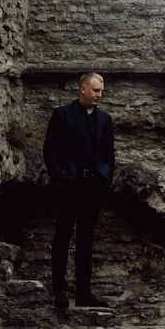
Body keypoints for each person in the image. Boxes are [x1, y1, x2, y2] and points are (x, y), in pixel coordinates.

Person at [43, 72, 115, 313]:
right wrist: (60, 179)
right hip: (68, 186)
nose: (99, 95)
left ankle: (84, 293)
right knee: (63, 237)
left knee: (86, 241)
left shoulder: (105, 120)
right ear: (82, 89)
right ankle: (60, 291)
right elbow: (50, 150)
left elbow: (108, 153)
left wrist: (106, 178)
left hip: (94, 187)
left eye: (101, 91)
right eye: (95, 90)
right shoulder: (62, 115)